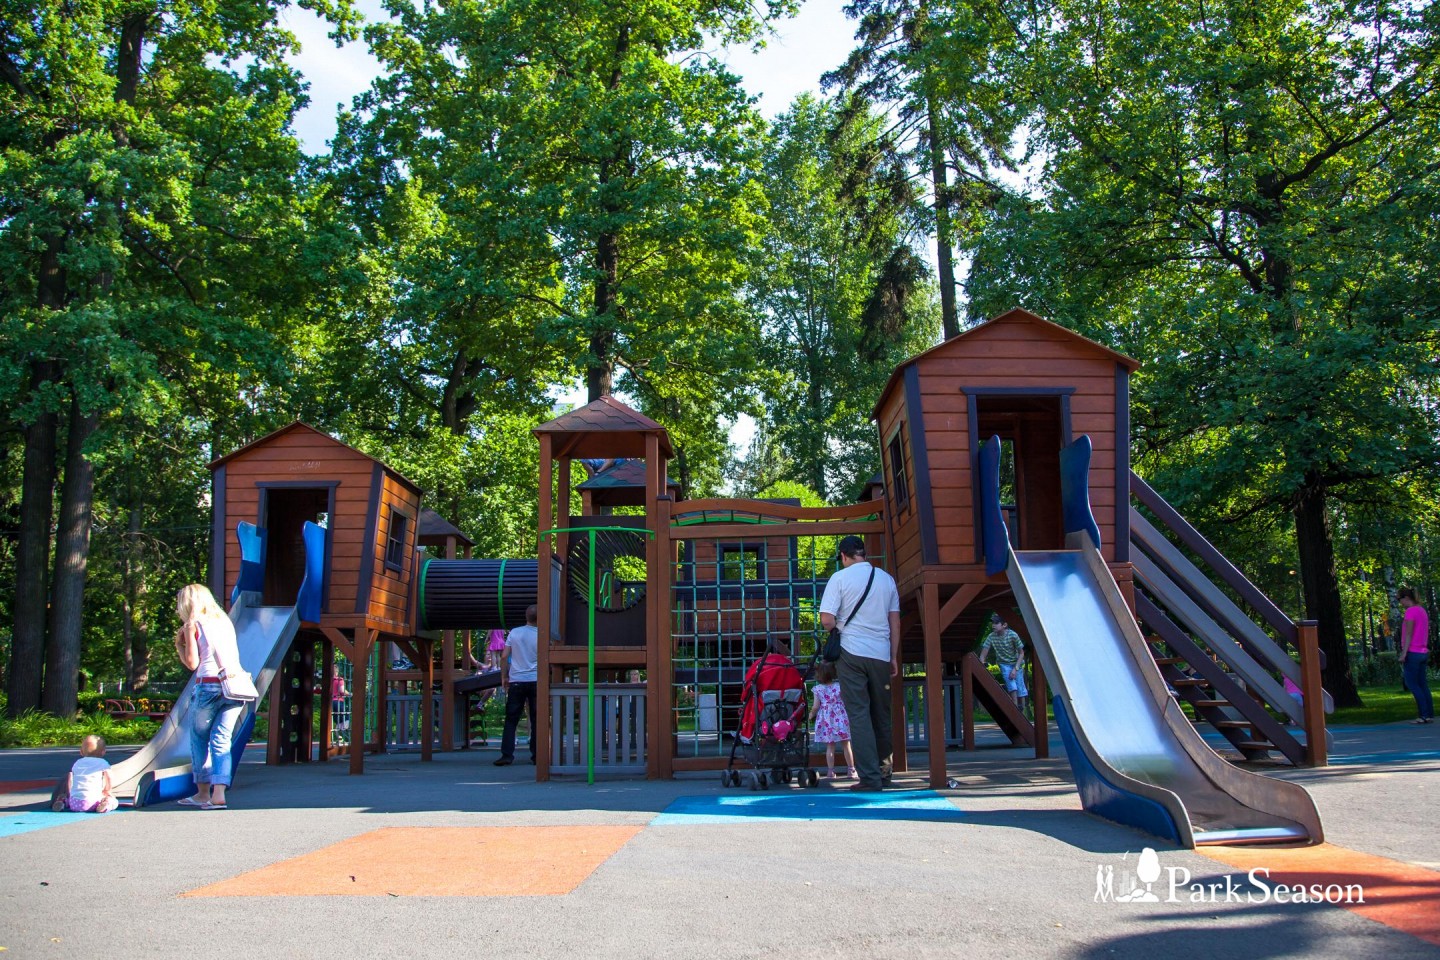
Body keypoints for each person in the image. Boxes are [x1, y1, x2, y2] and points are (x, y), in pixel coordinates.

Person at [819, 535, 901, 792]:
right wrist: (893, 656)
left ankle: (869, 778)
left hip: (851, 653)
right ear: (862, 553)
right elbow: (894, 621)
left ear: (843, 555)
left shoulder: (840, 579)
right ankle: (885, 772)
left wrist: (839, 627)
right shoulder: (886, 579)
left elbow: (827, 620)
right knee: (881, 714)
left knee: (859, 715)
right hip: (880, 653)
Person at [173, 583, 245, 809]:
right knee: (222, 741)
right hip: (235, 686)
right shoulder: (225, 622)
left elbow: (193, 663)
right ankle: (219, 795)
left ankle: (202, 793)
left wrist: (180, 645)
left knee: (199, 739)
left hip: (208, 686)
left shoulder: (193, 625)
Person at [494, 605, 540, 765]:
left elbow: (504, 655)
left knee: (511, 719)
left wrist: (504, 677)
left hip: (517, 680)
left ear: (526, 617)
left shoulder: (514, 632)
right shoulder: (543, 634)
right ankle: (537, 755)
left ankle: (507, 755)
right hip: (536, 680)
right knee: (536, 718)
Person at [739, 637, 804, 741]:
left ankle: (750, 736)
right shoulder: (790, 675)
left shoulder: (763, 675)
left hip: (767, 717)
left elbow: (746, 692)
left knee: (753, 703)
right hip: (788, 715)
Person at [811, 660, 856, 779]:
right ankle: (851, 770)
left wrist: (810, 715)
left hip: (826, 718)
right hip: (840, 716)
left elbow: (815, 706)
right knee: (846, 744)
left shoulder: (818, 689)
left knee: (830, 746)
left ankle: (831, 771)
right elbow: (846, 700)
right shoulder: (839, 686)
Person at [979, 613, 1029, 714]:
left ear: (1004, 625)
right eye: (993, 623)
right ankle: (1015, 710)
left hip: (1016, 662)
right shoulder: (991, 637)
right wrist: (981, 665)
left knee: (1020, 686)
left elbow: (1021, 653)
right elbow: (983, 654)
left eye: (996, 623)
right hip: (1004, 664)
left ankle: (1022, 709)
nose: (993, 625)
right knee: (1011, 684)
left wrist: (1015, 669)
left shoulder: (1013, 635)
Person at [54, 735, 118, 813]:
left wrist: (70, 793)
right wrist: (107, 790)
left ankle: (63, 801)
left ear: (81, 752)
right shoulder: (103, 763)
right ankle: (106, 805)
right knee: (113, 801)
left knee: (70, 798)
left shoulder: (77, 763)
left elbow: (70, 778)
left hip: (74, 803)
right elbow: (109, 777)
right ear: (103, 752)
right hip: (93, 802)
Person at [1398, 587, 1434, 724]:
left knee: (1412, 683)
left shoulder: (1410, 612)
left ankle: (1423, 715)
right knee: (1422, 684)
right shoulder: (1422, 610)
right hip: (1423, 651)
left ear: (1406, 598)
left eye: (1399, 599)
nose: (1400, 603)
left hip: (1412, 652)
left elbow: (1409, 634)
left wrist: (1404, 653)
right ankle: (1429, 714)